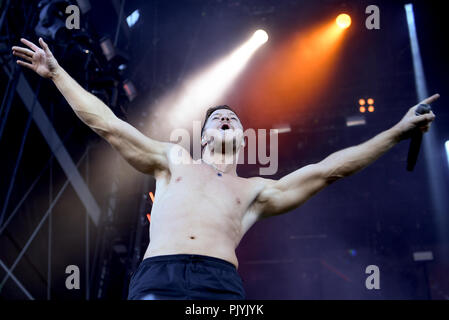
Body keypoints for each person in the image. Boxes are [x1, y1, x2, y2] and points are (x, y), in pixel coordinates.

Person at [12, 37, 437, 300]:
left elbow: (330, 170)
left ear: (243, 136)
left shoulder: (253, 190)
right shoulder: (172, 159)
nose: (225, 118)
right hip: (158, 277)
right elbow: (108, 124)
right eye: (216, 117)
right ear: (204, 134)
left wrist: (398, 131)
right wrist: (57, 74)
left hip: (219, 284)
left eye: (232, 117)